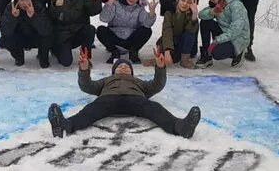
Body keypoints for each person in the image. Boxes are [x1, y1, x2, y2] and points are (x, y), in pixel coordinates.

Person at [47, 47, 201, 138]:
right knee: (90, 110)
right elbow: (86, 86)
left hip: (135, 100)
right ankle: (66, 126)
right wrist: (84, 68)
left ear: (132, 72)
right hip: (108, 100)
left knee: (154, 108)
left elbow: (157, 85)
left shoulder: (139, 83)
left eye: (127, 67)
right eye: (120, 67)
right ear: (114, 71)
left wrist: (160, 68)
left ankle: (180, 127)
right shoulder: (107, 80)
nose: (123, 68)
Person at [97, 0, 158, 65]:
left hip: (130, 41)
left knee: (147, 30)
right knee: (100, 30)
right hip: (115, 38)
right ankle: (114, 52)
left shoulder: (140, 8)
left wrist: (152, 12)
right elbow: (103, 18)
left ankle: (133, 52)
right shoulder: (115, 3)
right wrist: (110, 2)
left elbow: (147, 24)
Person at [48, 0, 103, 67]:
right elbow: (51, 18)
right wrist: (56, 7)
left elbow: (93, 11)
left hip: (77, 31)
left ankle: (85, 56)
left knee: (90, 29)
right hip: (63, 35)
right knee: (66, 62)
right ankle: (56, 49)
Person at [196, 0, 250, 68]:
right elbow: (201, 15)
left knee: (216, 53)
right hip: (225, 32)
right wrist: (213, 12)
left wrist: (217, 41)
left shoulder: (235, 4)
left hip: (238, 38)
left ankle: (238, 52)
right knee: (205, 21)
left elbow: (236, 30)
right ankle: (206, 55)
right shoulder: (216, 4)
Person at [0, 0, 55, 67]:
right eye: (22, 0)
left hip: (36, 37)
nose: (25, 2)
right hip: (20, 38)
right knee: (5, 39)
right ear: (17, 0)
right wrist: (13, 17)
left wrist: (33, 17)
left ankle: (43, 57)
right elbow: (5, 31)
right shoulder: (10, 8)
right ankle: (19, 56)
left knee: (49, 35)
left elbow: (47, 30)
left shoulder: (38, 6)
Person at [161, 0, 199, 68]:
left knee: (191, 30)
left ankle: (185, 60)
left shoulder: (192, 14)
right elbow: (167, 31)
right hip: (172, 42)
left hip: (187, 47)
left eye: (188, 2)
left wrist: (194, 15)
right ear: (178, 0)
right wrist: (167, 51)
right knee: (172, 59)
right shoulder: (170, 12)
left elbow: (191, 32)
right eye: (183, 0)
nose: (185, 4)